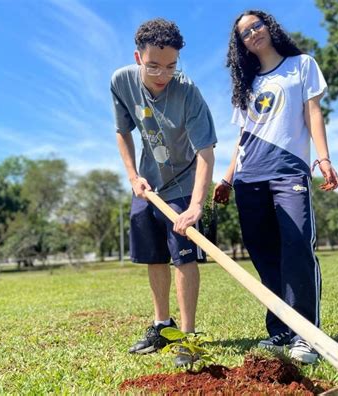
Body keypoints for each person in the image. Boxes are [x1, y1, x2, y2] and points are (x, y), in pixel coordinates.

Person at [214, 10, 338, 364]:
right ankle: (282, 330)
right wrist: (226, 178)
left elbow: (313, 112)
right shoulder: (248, 83)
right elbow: (243, 135)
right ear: (241, 45)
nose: (253, 33)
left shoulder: (301, 65)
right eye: (244, 33)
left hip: (288, 172)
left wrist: (324, 158)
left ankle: (307, 335)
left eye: (256, 26)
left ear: (268, 27)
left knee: (297, 245)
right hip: (248, 177)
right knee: (265, 255)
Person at [110, 18, 216, 367]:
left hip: (183, 184)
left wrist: (197, 204)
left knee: (183, 256)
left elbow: (205, 153)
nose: (162, 74)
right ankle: (162, 325)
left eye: (171, 66)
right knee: (153, 256)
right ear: (138, 57)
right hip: (147, 184)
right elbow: (122, 131)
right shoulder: (121, 81)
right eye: (154, 65)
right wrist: (132, 177)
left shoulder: (188, 92)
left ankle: (187, 336)